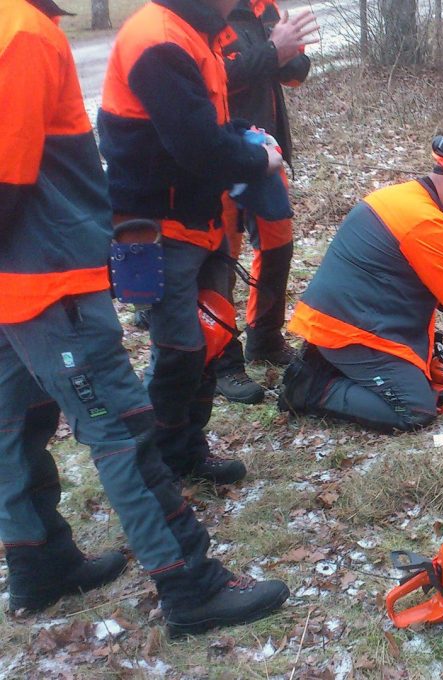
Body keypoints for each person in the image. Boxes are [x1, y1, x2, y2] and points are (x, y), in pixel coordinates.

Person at [0, 0, 287, 634]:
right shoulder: (19, 31)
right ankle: (189, 581)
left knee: (16, 425)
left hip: (22, 281)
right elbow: (9, 181)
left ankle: (39, 561)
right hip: (49, 279)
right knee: (122, 431)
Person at [98, 0, 284, 485]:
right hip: (158, 224)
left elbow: (205, 128)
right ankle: (156, 463)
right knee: (179, 347)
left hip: (197, 216)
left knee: (208, 337)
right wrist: (256, 163)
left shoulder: (198, 32)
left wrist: (239, 135)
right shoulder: (159, 39)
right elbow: (196, 146)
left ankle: (186, 453)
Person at [279, 138, 443, 432]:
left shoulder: (400, 196)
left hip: (351, 315)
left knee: (421, 368)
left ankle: (331, 363)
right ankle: (313, 388)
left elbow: (436, 283)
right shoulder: (424, 220)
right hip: (351, 330)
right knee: (413, 409)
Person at [214, 0, 319, 405]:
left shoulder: (264, 8)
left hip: (265, 148)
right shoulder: (206, 14)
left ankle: (265, 337)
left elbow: (293, 75)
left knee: (278, 243)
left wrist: (290, 52)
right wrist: (274, 50)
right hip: (219, 150)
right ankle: (223, 362)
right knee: (220, 257)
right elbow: (216, 77)